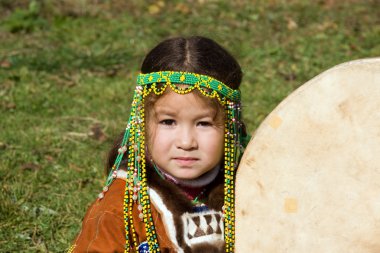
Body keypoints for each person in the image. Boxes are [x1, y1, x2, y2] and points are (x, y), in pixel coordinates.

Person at [68, 36, 249, 253]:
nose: (186, 142)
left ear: (231, 126)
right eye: (168, 122)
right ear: (142, 123)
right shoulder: (119, 208)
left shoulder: (249, 189)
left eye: (203, 123)